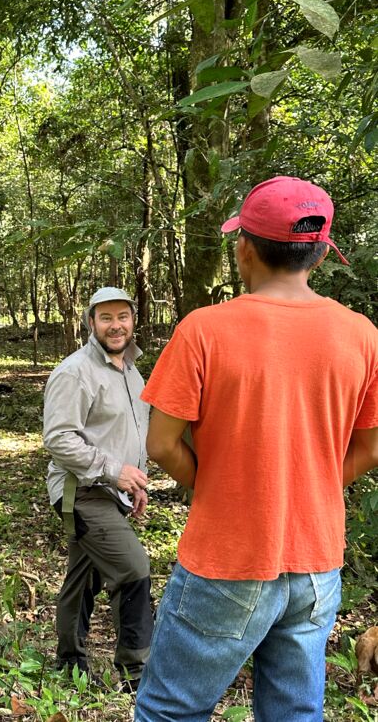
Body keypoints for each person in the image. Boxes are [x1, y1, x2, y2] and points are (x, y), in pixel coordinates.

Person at [133, 176, 378, 722]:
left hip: (229, 557)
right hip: (317, 565)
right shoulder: (362, 335)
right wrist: (310, 485)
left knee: (170, 711)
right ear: (319, 253)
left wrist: (218, 485)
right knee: (293, 713)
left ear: (244, 247)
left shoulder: (203, 331)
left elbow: (161, 443)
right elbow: (371, 444)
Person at [43, 286, 155, 690]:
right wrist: (114, 472)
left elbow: (128, 433)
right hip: (82, 491)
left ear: (132, 319)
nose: (115, 325)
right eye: (105, 318)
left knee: (83, 576)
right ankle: (136, 672)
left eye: (122, 316)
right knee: (134, 569)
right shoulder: (75, 372)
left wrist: (135, 482)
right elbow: (59, 438)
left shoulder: (131, 370)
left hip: (112, 491)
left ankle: (69, 660)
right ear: (91, 322)